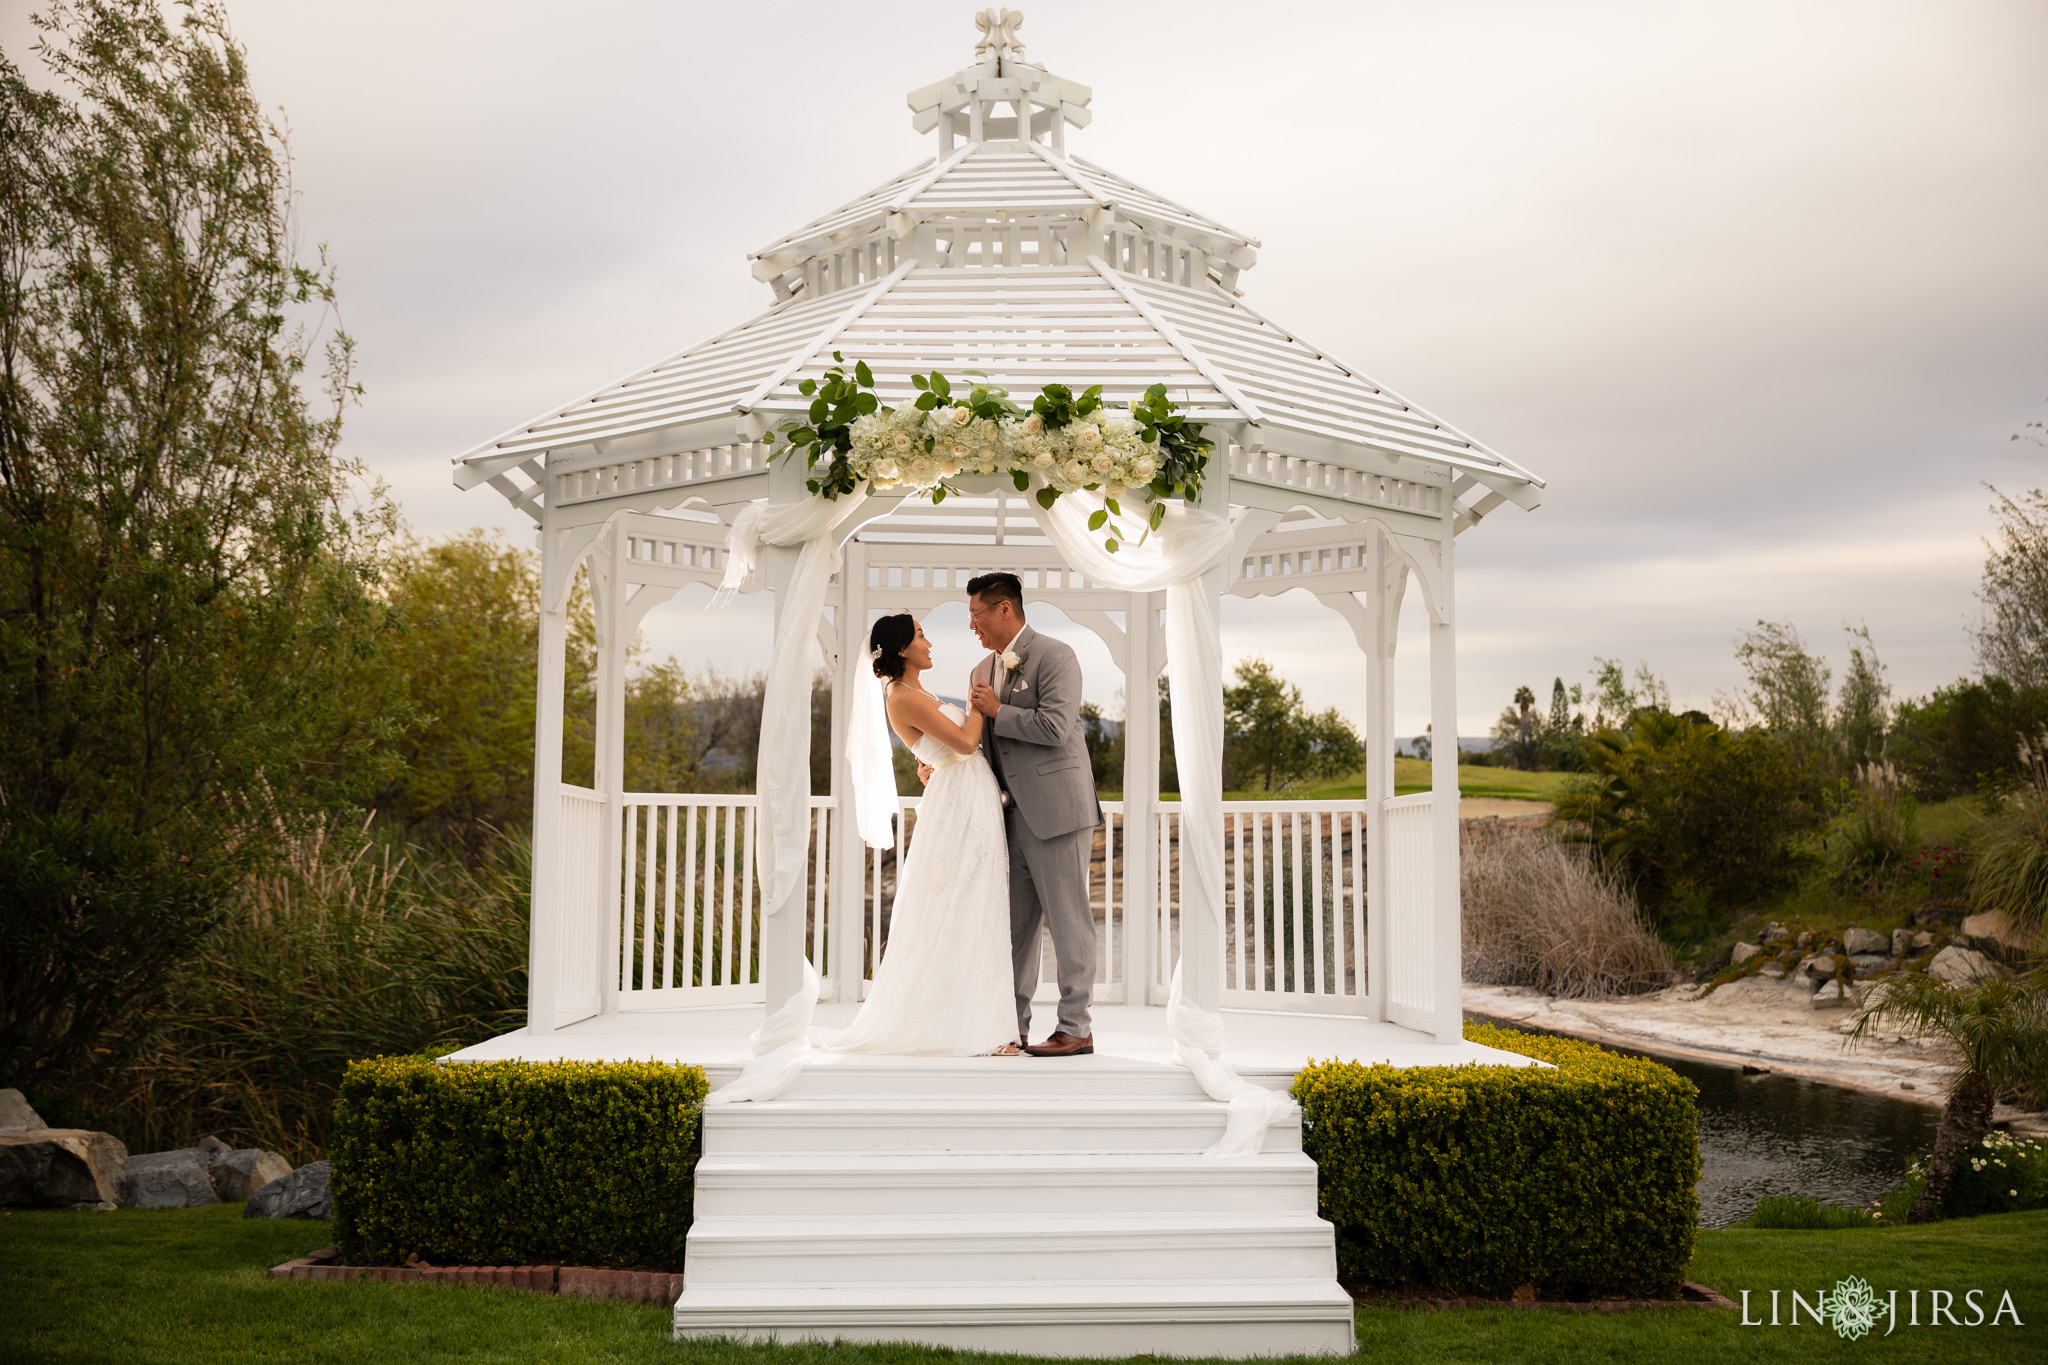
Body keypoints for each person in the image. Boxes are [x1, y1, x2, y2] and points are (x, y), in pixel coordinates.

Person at [821, 614, 1022, 1058]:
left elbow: (936, 746)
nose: (929, 642)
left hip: (969, 796)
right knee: (962, 906)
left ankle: (983, 1022)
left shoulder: (916, 692)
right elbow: (967, 743)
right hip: (959, 806)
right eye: (921, 635)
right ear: (901, 647)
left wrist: (926, 760)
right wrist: (978, 705)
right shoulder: (900, 696)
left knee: (978, 905)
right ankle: (975, 1029)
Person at [964, 571, 1103, 1057]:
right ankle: (1010, 1025)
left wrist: (1000, 711)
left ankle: (1076, 1027)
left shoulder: (1056, 655)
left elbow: (1056, 727)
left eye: (976, 614)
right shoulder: (980, 670)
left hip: (1059, 810)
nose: (972, 625)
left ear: (1005, 609)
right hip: (1007, 817)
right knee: (1013, 928)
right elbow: (977, 745)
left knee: (1069, 921)